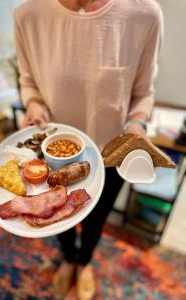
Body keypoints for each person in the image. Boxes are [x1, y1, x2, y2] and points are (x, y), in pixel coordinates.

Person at [14, 0, 163, 298]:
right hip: (52, 155)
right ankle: (68, 258)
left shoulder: (144, 14)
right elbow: (29, 83)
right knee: (57, 217)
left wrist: (136, 124)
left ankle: (85, 263)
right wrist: (34, 104)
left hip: (110, 154)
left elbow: (143, 93)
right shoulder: (27, 15)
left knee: (95, 220)